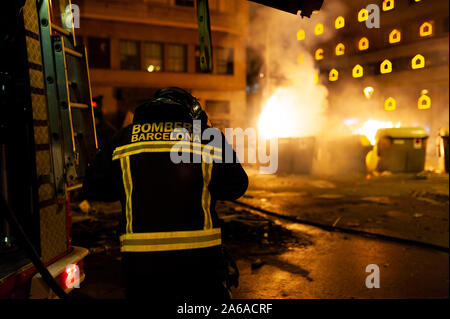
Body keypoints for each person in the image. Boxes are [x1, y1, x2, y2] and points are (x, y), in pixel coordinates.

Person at [82, 87, 248, 301]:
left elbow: (94, 188)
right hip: (201, 264)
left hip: (141, 265)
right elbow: (237, 186)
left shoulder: (123, 138)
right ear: (193, 113)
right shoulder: (207, 137)